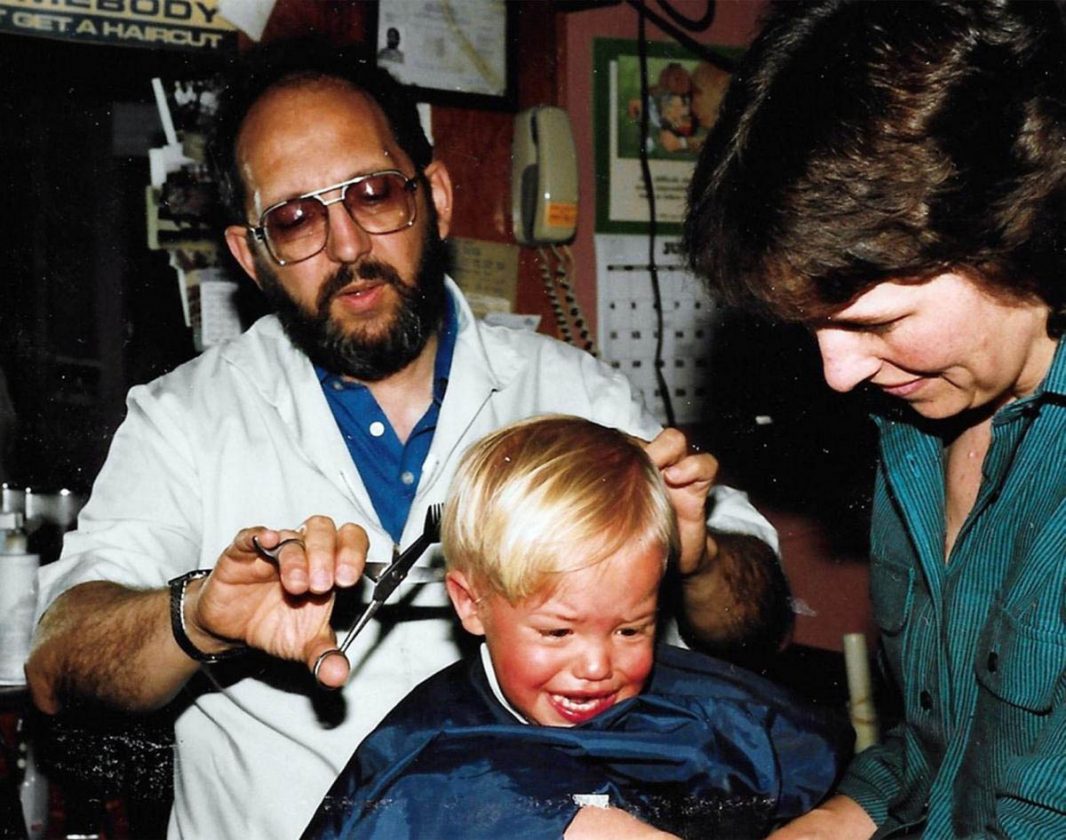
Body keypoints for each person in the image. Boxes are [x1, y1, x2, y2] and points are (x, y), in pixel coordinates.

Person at [25, 38, 790, 840]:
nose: (349, 245)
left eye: (375, 193)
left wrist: (696, 558)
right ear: (252, 257)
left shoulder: (577, 396)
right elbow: (57, 666)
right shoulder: (183, 419)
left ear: (438, 198)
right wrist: (200, 616)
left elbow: (758, 624)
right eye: (294, 218)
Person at [682, 1, 1066, 837]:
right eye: (815, 329)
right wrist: (830, 824)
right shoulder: (918, 425)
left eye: (878, 321)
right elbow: (947, 752)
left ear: (1015, 231)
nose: (838, 373)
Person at [304, 415, 850, 839]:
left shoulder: (711, 720)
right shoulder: (423, 755)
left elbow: (823, 773)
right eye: (558, 633)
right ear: (471, 603)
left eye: (630, 630)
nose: (596, 667)